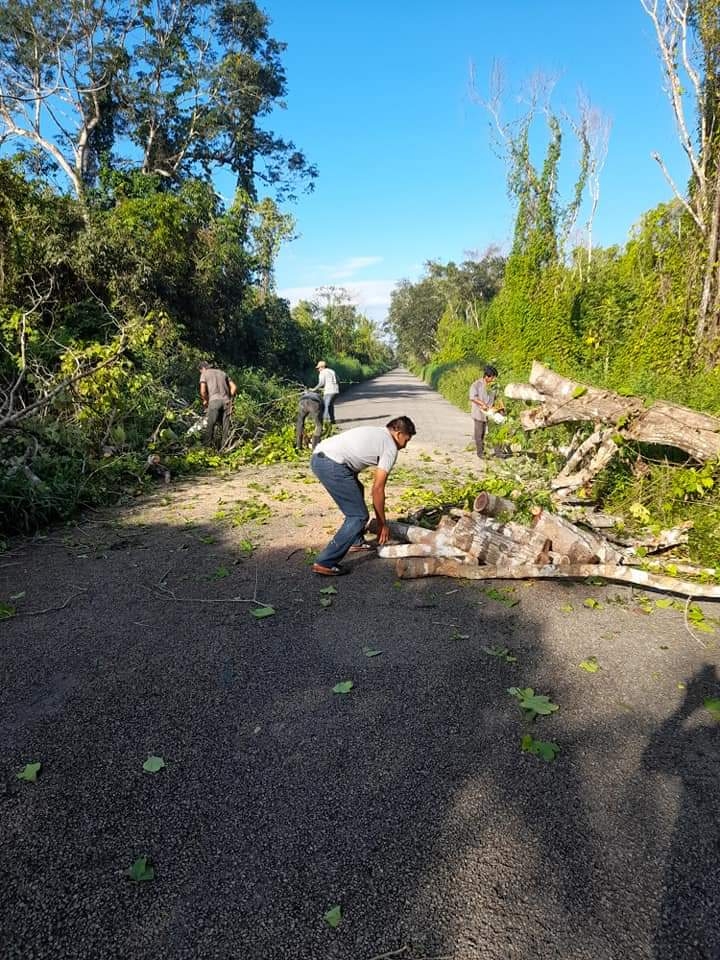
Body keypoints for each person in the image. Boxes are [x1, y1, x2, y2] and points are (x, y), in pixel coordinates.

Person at [309, 416, 416, 576]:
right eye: (406, 440)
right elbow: (378, 489)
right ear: (398, 433)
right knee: (358, 516)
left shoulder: (378, 433)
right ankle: (325, 562)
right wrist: (382, 524)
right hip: (332, 464)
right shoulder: (390, 447)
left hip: (319, 456)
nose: (405, 445)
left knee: (357, 488)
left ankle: (356, 540)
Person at [199, 361, 237, 448]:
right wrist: (229, 397)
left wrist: (206, 400)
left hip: (214, 401)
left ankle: (207, 449)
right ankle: (225, 449)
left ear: (203, 369)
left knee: (210, 426)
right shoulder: (223, 373)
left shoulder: (204, 374)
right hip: (227, 402)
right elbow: (234, 387)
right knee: (225, 428)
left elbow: (203, 391)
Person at [469, 364, 500, 459]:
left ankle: (499, 452)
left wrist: (500, 409)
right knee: (480, 434)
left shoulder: (494, 386)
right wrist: (482, 404)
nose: (494, 379)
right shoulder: (476, 384)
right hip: (479, 413)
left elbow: (497, 398)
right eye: (492, 377)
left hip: (491, 413)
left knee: (495, 433)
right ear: (487, 376)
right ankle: (480, 453)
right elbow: (473, 397)